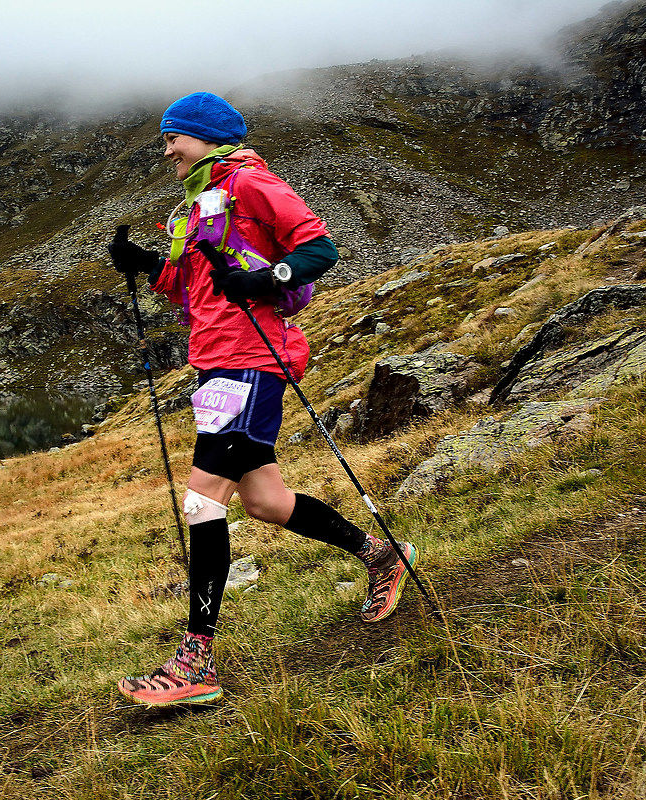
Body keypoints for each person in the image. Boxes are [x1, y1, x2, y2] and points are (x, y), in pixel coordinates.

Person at [108, 91, 419, 707]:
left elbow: (318, 248)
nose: (167, 149)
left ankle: (195, 664)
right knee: (267, 502)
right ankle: (384, 555)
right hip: (215, 362)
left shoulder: (250, 182)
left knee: (201, 502)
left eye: (176, 137)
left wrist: (264, 278)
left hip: (251, 363)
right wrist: (145, 263)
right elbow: (193, 290)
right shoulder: (200, 203)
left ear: (206, 136)